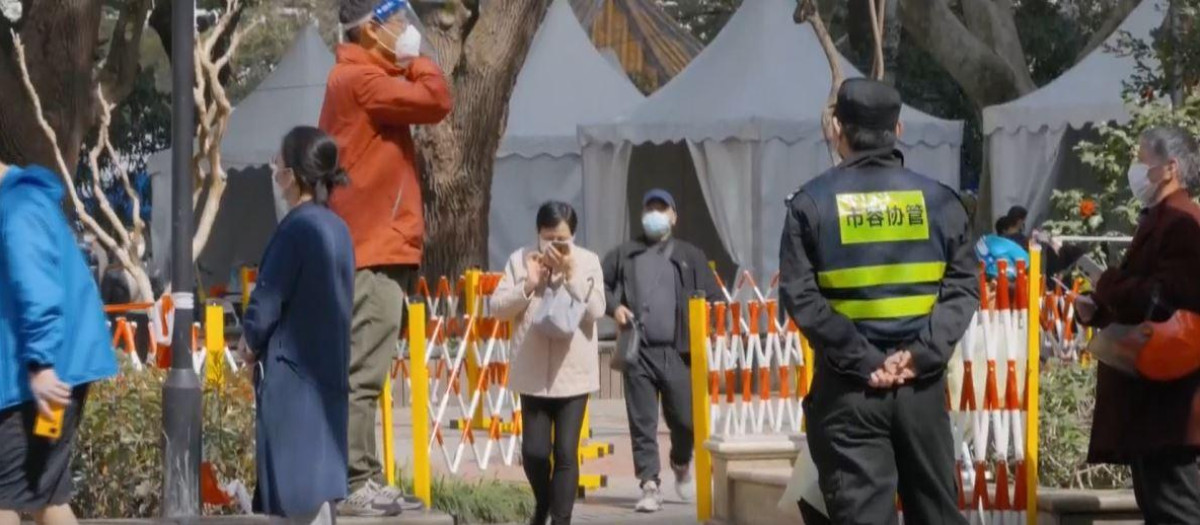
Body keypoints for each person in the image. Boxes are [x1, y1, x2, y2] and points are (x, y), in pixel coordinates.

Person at [777, 78, 978, 524]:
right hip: (921, 390)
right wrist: (920, 355)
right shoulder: (941, 203)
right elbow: (963, 286)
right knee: (937, 513)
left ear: (836, 128)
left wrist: (864, 358)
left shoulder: (811, 205)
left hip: (850, 392)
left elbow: (801, 297)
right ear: (899, 129)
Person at [320, 0, 452, 514]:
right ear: (372, 28)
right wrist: (417, 60)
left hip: (376, 243)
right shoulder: (361, 81)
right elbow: (438, 99)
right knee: (363, 373)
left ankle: (365, 474)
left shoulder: (357, 76)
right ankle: (354, 480)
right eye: (397, 20)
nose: (406, 29)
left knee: (368, 370)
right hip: (374, 245)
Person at [1075, 126, 1200, 523]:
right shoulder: (1160, 219)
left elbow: (1161, 301)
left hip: (1170, 407)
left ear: (1170, 168)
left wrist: (1108, 284)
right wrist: (1100, 308)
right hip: (1151, 403)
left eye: (1142, 160)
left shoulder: (1181, 222)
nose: (1136, 169)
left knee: (1175, 511)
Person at [238, 127, 356, 525]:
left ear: (292, 174)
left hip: (293, 377)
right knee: (320, 494)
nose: (274, 172)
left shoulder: (294, 228)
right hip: (329, 373)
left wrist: (249, 342)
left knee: (292, 495)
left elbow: (268, 298)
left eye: (277, 163)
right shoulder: (339, 228)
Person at [0, 162, 119, 525]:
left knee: (6, 494)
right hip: (45, 375)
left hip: (41, 379)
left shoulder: (18, 207)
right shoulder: (20, 202)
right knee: (44, 493)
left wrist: (41, 364)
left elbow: (37, 288)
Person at [602, 189, 723, 513]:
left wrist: (708, 327)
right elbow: (598, 286)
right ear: (643, 215)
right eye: (651, 208)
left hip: (678, 352)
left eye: (662, 208)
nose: (656, 213)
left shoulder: (689, 254)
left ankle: (681, 461)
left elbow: (715, 298)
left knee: (686, 420)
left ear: (673, 215)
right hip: (637, 350)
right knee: (642, 420)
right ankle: (650, 484)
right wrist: (615, 308)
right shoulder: (624, 254)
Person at [491, 202, 605, 525]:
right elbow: (497, 307)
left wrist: (571, 276)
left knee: (567, 453)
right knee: (536, 453)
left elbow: (597, 310)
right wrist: (528, 283)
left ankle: (561, 518)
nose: (555, 246)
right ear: (538, 234)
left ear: (573, 237)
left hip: (574, 375)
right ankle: (543, 502)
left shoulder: (588, 262)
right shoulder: (520, 259)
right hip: (532, 374)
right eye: (548, 238)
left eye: (562, 240)